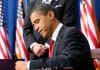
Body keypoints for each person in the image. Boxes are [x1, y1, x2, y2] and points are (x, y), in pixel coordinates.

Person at [16, 3, 95, 70]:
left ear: (50, 15)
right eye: (33, 25)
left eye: (37, 21)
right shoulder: (54, 41)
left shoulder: (71, 33)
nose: (36, 28)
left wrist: (29, 65)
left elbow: (67, 61)